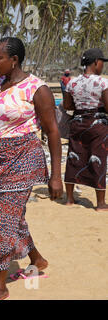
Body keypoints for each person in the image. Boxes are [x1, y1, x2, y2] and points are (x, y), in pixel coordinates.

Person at [0, 37, 63, 300]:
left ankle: (0, 284)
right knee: (10, 216)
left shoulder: (37, 89)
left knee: (2, 219)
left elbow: (53, 132)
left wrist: (56, 176)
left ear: (15, 60)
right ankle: (37, 259)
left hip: (22, 157)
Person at [63, 48, 108, 211]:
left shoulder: (72, 83)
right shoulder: (103, 82)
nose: (103, 65)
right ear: (96, 62)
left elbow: (67, 105)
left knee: (74, 158)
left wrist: (81, 107)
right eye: (102, 62)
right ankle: (101, 204)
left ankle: (69, 199)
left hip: (77, 123)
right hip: (97, 125)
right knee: (98, 159)